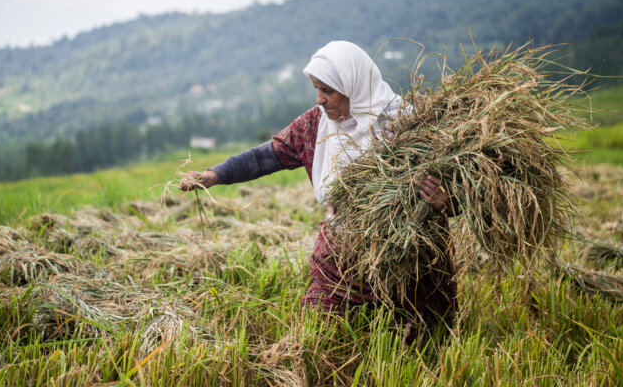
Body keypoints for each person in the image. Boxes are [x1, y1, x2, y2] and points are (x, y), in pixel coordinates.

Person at [179, 40, 457, 328]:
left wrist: (445, 202)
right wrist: (216, 174)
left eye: (327, 91)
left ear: (354, 88)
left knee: (415, 340)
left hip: (410, 259)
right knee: (320, 330)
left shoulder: (407, 126)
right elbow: (265, 157)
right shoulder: (316, 125)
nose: (319, 100)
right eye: (316, 90)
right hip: (340, 254)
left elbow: (463, 187)